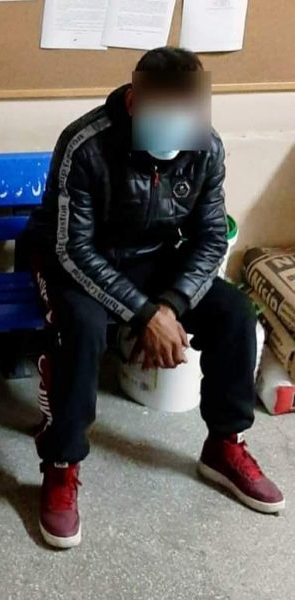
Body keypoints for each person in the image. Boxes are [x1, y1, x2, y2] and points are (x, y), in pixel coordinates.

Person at [25, 46, 285, 549]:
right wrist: (144, 314)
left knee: (234, 313)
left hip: (151, 257)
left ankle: (224, 444)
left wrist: (168, 307)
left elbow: (211, 237)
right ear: (133, 100)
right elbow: (72, 248)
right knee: (81, 327)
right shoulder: (85, 145)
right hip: (74, 260)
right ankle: (61, 464)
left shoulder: (206, 147)